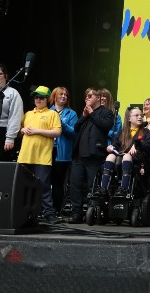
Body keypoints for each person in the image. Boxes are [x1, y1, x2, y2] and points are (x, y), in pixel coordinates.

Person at [17, 86, 62, 224]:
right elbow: (18, 133)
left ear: (47, 99)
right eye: (36, 97)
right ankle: (23, 213)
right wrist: (22, 130)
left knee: (43, 186)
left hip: (42, 157)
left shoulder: (52, 114)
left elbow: (57, 132)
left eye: (41, 97)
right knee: (23, 186)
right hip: (25, 156)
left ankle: (49, 214)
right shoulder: (28, 114)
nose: (38, 100)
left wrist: (37, 130)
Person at [68, 88, 114, 224]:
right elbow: (76, 128)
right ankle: (76, 213)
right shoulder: (86, 113)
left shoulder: (106, 112)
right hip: (78, 156)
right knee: (75, 185)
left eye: (90, 96)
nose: (86, 98)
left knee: (92, 185)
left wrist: (92, 113)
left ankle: (92, 212)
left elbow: (106, 126)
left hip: (94, 155)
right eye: (85, 96)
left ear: (98, 98)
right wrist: (84, 116)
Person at [101, 106, 150, 195]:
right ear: (129, 118)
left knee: (127, 156)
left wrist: (137, 144)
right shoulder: (123, 131)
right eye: (136, 115)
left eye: (141, 115)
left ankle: (124, 189)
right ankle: (103, 189)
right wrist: (110, 147)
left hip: (137, 159)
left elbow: (149, 146)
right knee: (110, 156)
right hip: (121, 157)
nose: (140, 117)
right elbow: (116, 145)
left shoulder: (145, 131)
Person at [49, 87, 78, 215]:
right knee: (44, 181)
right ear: (54, 96)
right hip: (46, 151)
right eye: (61, 94)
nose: (64, 96)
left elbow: (75, 133)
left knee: (58, 183)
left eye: (66, 94)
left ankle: (56, 210)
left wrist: (60, 123)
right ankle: (43, 208)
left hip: (62, 153)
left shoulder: (71, 114)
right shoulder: (47, 111)